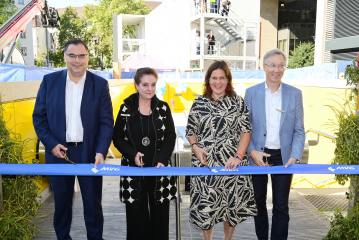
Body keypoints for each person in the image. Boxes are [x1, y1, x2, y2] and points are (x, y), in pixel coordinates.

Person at [33, 39, 114, 240]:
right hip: (58, 153)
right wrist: (51, 145)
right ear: (65, 57)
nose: (77, 60)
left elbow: (106, 122)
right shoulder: (49, 82)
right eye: (72, 55)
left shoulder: (100, 84)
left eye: (81, 56)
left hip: (89, 153)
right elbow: (39, 118)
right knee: (61, 205)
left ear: (88, 58)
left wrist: (101, 151)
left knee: (93, 206)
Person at [186, 61, 257, 240]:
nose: (218, 82)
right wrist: (195, 148)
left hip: (231, 166)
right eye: (214, 78)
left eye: (222, 78)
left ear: (228, 80)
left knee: (230, 210)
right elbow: (190, 131)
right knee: (206, 211)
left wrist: (238, 156)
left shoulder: (237, 102)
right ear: (208, 80)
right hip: (205, 166)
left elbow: (246, 131)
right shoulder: (199, 102)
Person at [244, 49, 305, 240]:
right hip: (258, 155)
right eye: (272, 65)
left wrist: (295, 155)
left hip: (284, 157)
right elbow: (245, 128)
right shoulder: (251, 93)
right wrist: (252, 151)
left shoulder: (295, 94)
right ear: (264, 67)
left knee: (281, 205)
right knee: (258, 203)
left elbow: (299, 130)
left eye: (280, 65)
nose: (276, 70)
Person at [113, 67, 177, 240]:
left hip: (159, 172)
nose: (149, 89)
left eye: (153, 85)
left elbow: (170, 136)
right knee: (136, 223)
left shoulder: (163, 108)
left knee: (160, 222)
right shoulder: (126, 108)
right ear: (136, 85)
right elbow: (118, 137)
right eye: (145, 85)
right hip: (133, 172)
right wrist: (132, 154)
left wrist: (163, 159)